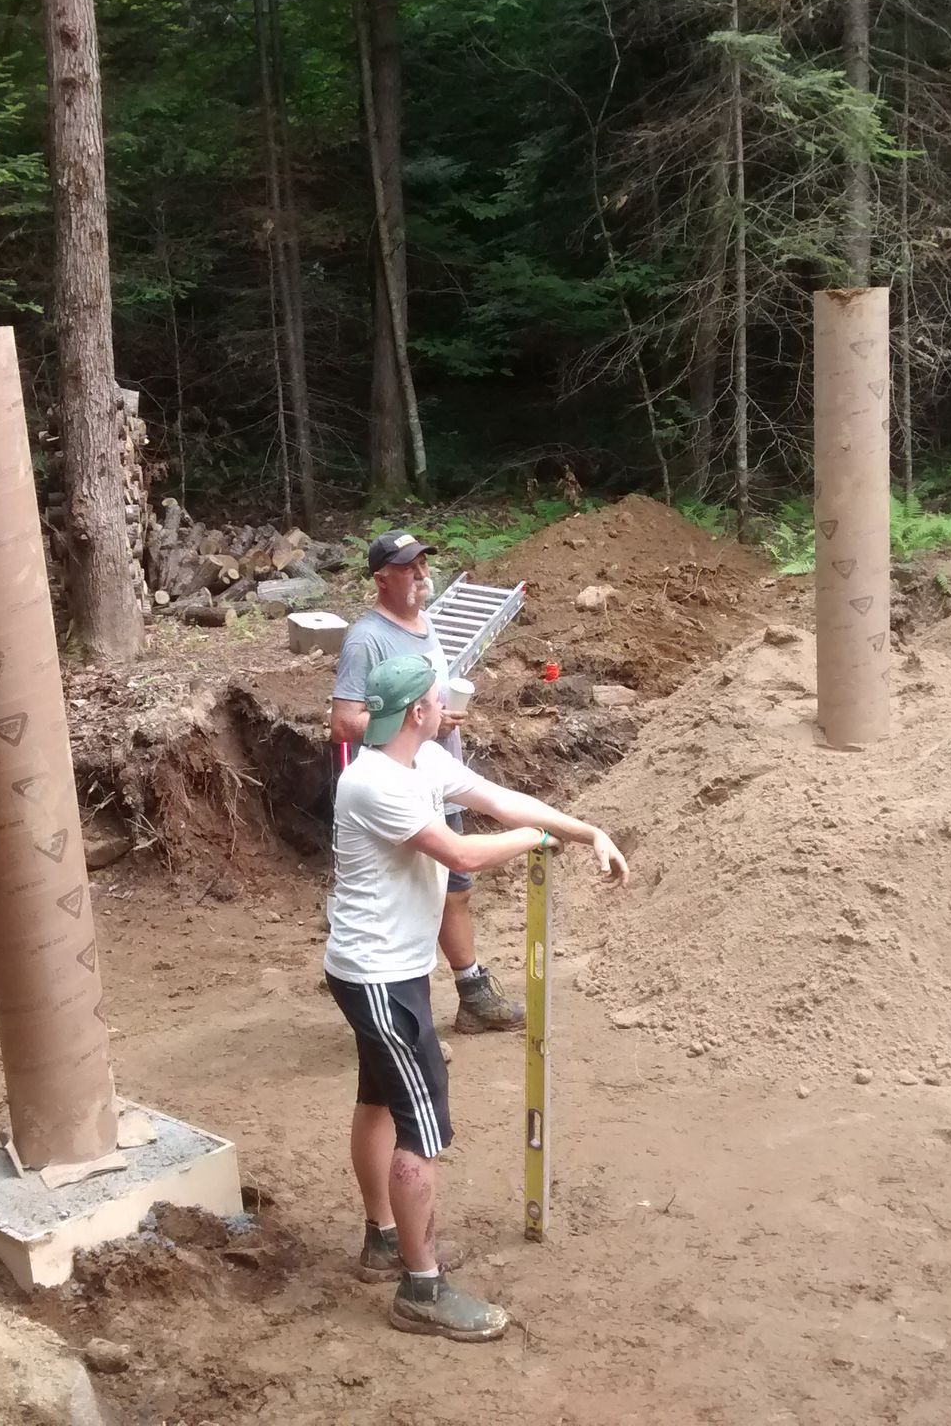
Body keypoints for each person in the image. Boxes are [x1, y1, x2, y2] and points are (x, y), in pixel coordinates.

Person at [325, 654, 629, 1341]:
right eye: (439, 700)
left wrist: (583, 830)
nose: (447, 708)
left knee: (380, 1098)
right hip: (379, 977)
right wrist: (534, 840)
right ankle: (421, 1288)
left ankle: (383, 1238)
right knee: (421, 1125)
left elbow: (498, 800)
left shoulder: (420, 760)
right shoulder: (373, 782)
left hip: (383, 970)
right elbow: (460, 855)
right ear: (417, 712)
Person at [330, 529, 523, 1035]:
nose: (420, 573)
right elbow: (343, 722)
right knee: (417, 892)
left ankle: (471, 994)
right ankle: (401, 1018)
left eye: (422, 563)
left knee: (455, 888)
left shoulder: (425, 623)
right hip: (398, 784)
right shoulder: (366, 639)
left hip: (436, 775)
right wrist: (411, 723)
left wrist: (438, 717)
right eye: (408, 567)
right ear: (382, 579)